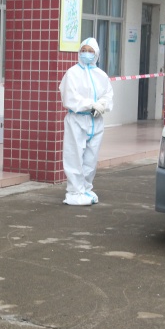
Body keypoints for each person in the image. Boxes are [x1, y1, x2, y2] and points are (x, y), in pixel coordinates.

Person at [59, 37, 114, 206]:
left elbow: (108, 94)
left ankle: (86, 188)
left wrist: (102, 104)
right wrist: (90, 104)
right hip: (77, 119)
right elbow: (69, 97)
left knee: (91, 157)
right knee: (74, 156)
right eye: (84, 50)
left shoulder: (101, 75)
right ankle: (74, 192)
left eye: (91, 51)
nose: (87, 54)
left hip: (96, 120)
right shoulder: (72, 73)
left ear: (96, 54)